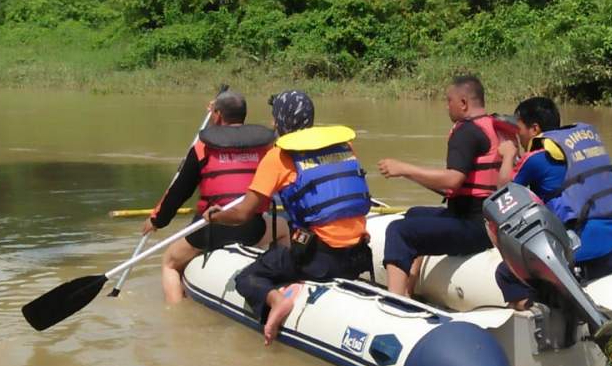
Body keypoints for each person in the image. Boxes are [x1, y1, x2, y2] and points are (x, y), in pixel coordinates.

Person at [206, 90, 373, 345]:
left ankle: (277, 301)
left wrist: (216, 216)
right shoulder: (345, 148)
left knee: (248, 278)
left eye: (274, 117)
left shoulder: (279, 157)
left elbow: (243, 213)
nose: (272, 123)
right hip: (358, 254)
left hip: (320, 260)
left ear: (281, 120)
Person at [378, 74, 514, 296]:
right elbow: (458, 188)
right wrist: (408, 175)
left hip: (474, 227)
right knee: (414, 214)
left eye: (449, 100)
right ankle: (409, 289)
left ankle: (394, 300)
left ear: (463, 103)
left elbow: (453, 180)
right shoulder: (495, 127)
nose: (446, 106)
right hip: (490, 222)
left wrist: (404, 168)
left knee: (398, 231)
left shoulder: (466, 132)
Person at [493, 96, 612, 308]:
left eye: (519, 129)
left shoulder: (536, 159)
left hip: (585, 256)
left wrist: (509, 155)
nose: (517, 136)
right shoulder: (582, 151)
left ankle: (537, 316)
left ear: (535, 129)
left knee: (505, 273)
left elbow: (503, 195)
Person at [142, 90, 276, 305]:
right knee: (284, 229)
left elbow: (179, 192)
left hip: (211, 228)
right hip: (252, 227)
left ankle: (176, 314)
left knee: (169, 262)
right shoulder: (266, 147)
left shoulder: (202, 148)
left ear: (218, 115)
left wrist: (157, 220)